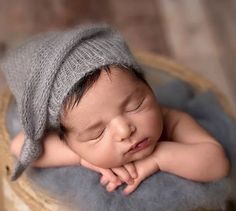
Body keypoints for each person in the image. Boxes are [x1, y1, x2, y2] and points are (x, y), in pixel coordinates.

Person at [2, 24, 230, 195]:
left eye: (136, 105)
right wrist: (81, 158)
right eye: (96, 132)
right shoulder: (72, 144)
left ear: (149, 87)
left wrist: (160, 157)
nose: (124, 130)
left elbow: (217, 163)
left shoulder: (171, 120)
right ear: (68, 139)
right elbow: (22, 146)